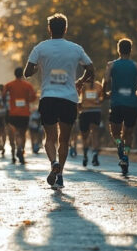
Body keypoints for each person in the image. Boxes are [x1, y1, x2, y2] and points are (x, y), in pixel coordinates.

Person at [25, 13, 95, 189]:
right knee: (64, 140)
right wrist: (80, 81)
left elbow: (27, 72)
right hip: (69, 98)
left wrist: (37, 68)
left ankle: (53, 163)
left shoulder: (40, 48)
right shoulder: (76, 48)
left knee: (50, 137)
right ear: (65, 28)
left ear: (49, 29)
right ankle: (61, 175)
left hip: (48, 97)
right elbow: (91, 69)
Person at [103, 38, 137, 176]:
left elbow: (105, 80)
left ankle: (119, 145)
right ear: (130, 50)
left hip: (117, 104)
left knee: (116, 133)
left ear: (118, 50)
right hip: (132, 104)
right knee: (129, 134)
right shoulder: (136, 66)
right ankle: (126, 156)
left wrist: (105, 93)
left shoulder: (111, 65)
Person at [3, 67, 38, 164]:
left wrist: (8, 102)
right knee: (22, 133)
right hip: (25, 113)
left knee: (17, 132)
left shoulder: (9, 85)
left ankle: (18, 148)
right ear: (22, 74)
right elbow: (34, 96)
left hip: (13, 113)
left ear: (14, 74)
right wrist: (27, 101)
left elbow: (3, 95)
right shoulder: (27, 85)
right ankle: (20, 149)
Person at [77, 77, 104, 167]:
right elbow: (103, 97)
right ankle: (95, 153)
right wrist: (98, 101)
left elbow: (77, 95)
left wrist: (79, 104)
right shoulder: (98, 85)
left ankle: (85, 156)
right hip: (96, 111)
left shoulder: (82, 85)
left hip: (85, 112)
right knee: (95, 134)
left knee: (85, 137)